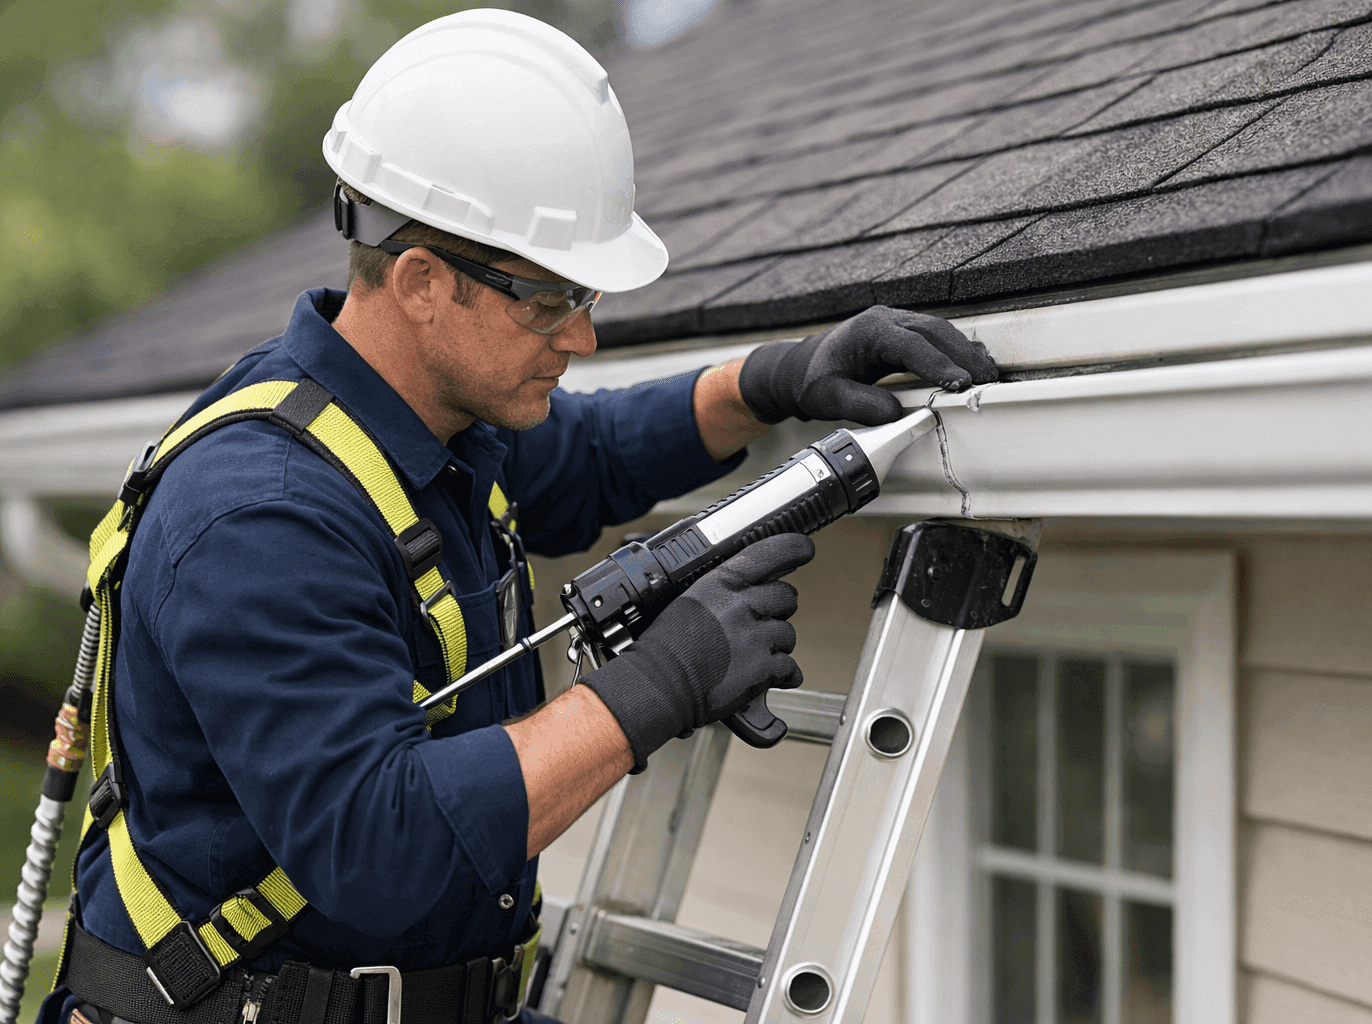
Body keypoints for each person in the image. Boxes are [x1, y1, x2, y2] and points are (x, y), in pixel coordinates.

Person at [46, 10, 997, 1024]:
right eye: (547, 300)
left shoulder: (436, 417)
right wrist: (662, 680)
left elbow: (586, 456)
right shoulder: (260, 517)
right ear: (420, 283)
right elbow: (381, 841)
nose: (582, 335)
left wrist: (769, 380)